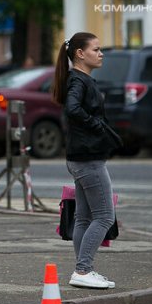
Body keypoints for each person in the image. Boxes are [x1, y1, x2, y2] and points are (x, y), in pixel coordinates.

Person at [51, 32, 121, 290]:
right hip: (88, 159)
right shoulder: (79, 81)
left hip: (80, 157)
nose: (101, 54)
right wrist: (97, 126)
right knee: (104, 216)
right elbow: (72, 109)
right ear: (80, 53)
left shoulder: (78, 79)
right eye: (96, 49)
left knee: (83, 217)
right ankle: (83, 269)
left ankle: (83, 269)